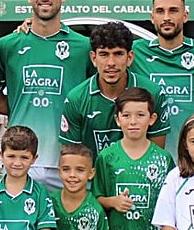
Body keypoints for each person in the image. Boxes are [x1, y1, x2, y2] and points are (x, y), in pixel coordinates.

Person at [0, 0, 93, 188]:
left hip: (69, 161)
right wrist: (20, 107)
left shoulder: (83, 47)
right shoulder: (7, 45)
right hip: (22, 159)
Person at [93, 88, 176, 230]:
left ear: (152, 119)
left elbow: (173, 209)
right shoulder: (107, 157)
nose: (133, 121)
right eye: (127, 115)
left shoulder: (163, 159)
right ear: (117, 119)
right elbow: (95, 198)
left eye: (140, 115)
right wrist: (113, 202)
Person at [60, 21, 171, 155]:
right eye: (104, 54)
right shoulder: (76, 99)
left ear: (130, 58)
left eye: (118, 54)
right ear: (93, 58)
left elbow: (156, 156)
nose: (111, 63)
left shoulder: (153, 94)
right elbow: (72, 158)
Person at [130, 0, 194, 152]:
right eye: (160, 11)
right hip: (152, 160)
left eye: (173, 11)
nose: (166, 17)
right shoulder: (136, 51)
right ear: (152, 17)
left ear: (185, 16)